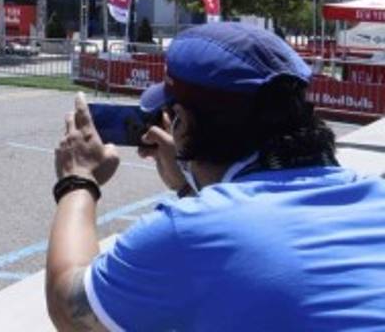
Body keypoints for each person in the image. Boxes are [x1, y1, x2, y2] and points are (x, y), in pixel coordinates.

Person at [45, 22, 385, 331]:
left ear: (184, 123)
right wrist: (184, 185)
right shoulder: (375, 196)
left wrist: (78, 178)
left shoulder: (191, 230)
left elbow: (69, 308)